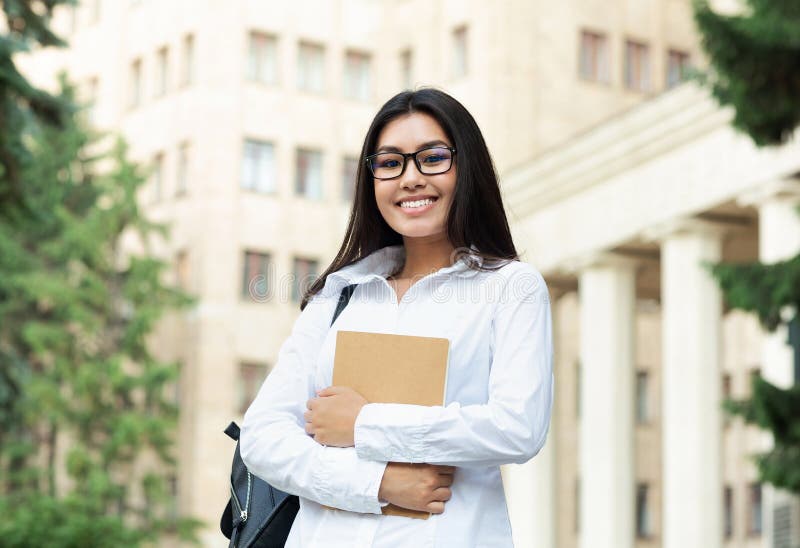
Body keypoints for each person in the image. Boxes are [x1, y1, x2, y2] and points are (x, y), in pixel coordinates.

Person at [241, 88, 553, 547]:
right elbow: (263, 437)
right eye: (390, 163)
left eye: (432, 158)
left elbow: (516, 428)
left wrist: (364, 425)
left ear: (467, 169)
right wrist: (377, 485)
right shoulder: (339, 295)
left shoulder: (511, 287)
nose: (410, 178)